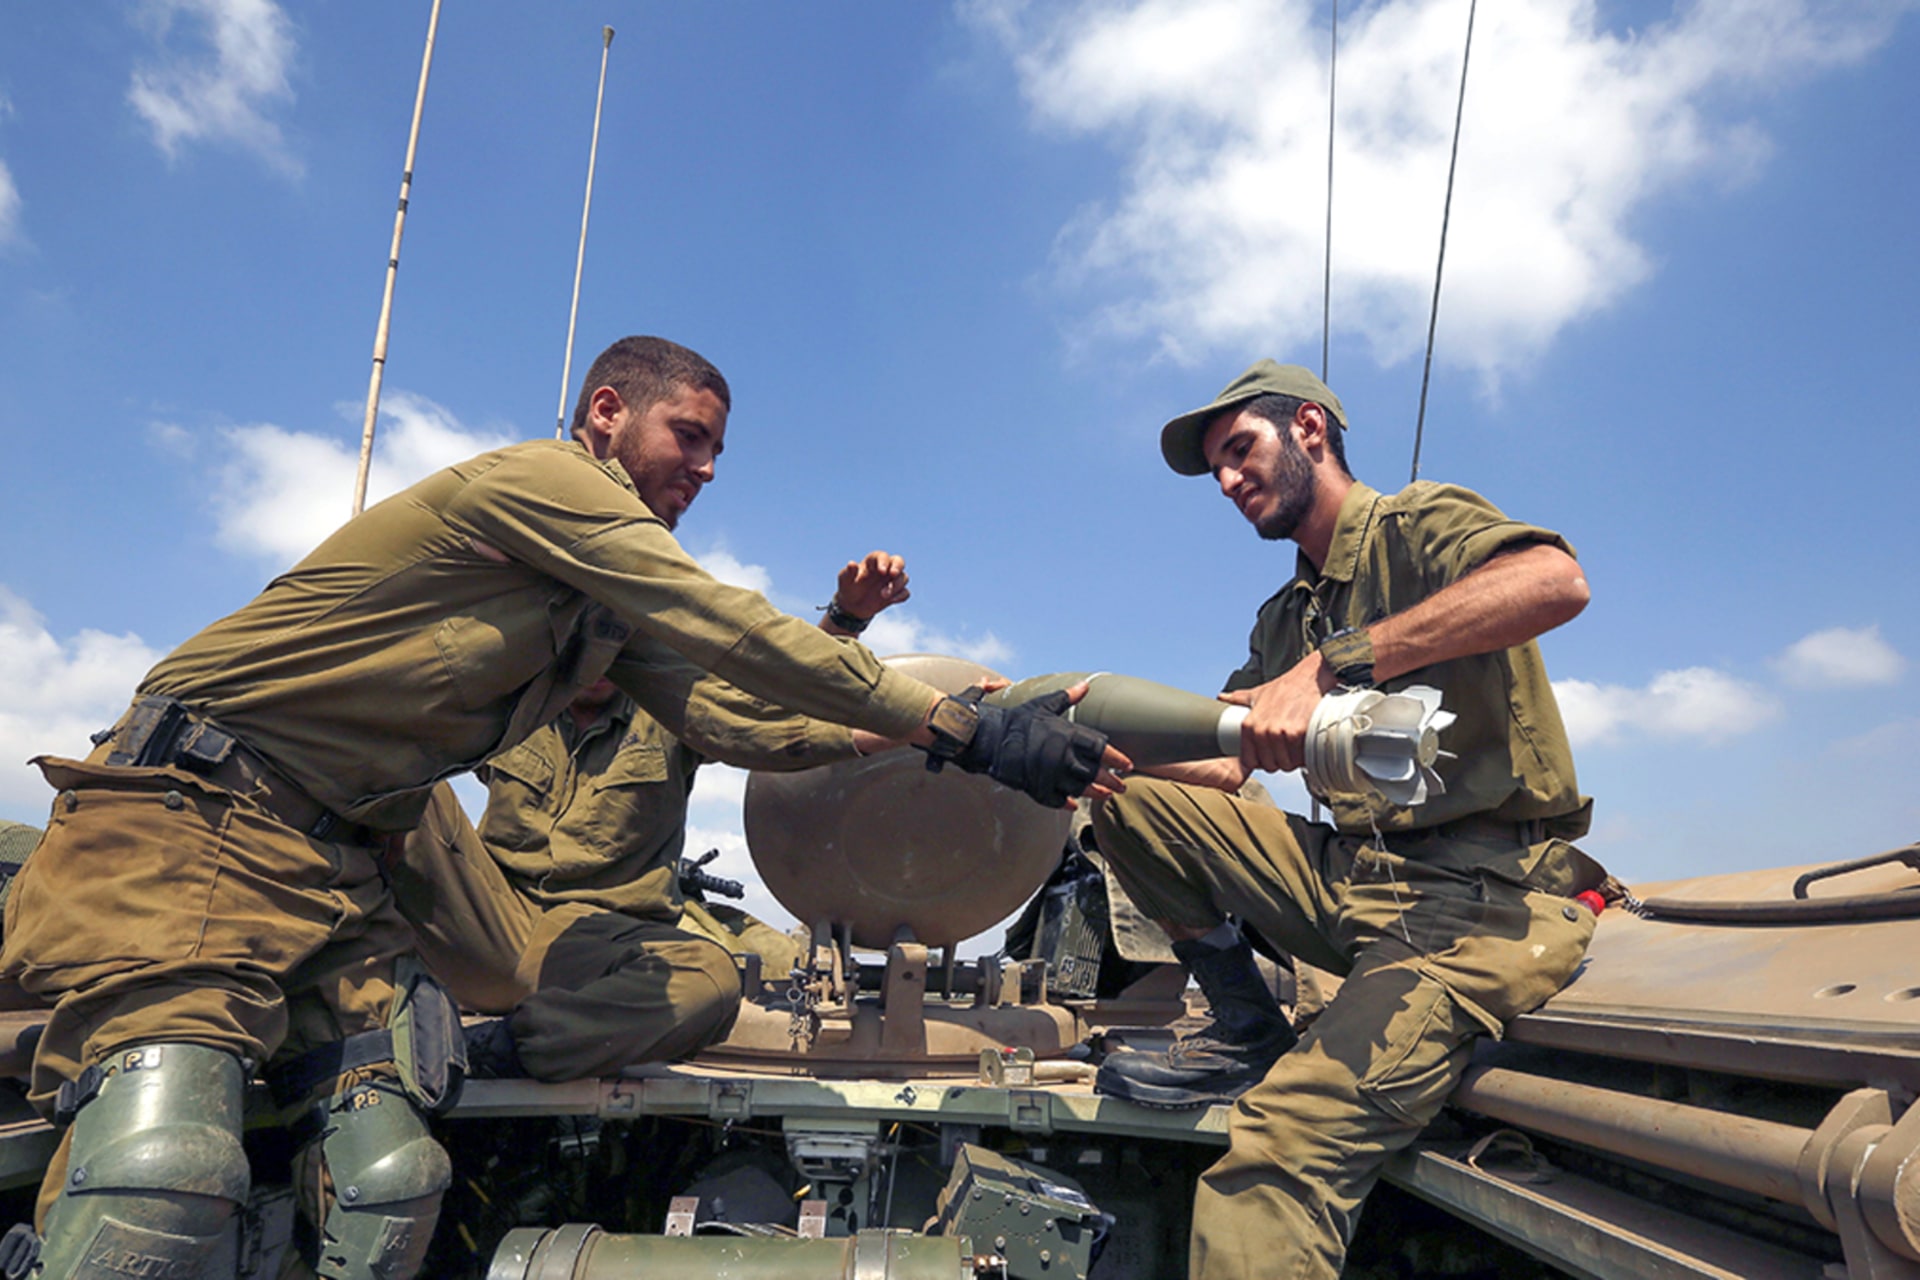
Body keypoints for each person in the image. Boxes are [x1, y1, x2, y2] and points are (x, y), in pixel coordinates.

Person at [0, 335, 1123, 1280]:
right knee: (163, 1175)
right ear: (605, 413)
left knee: (389, 1183)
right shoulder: (541, 486)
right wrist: (967, 731)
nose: (709, 468)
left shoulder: (597, 619)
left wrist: (978, 723)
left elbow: (745, 722)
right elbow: (726, 624)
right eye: (691, 435)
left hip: (337, 875)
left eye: (720, 450)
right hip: (202, 815)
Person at [1090, 361, 1608, 1280]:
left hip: (1477, 902)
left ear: (1312, 430)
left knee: (1272, 1162)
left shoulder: (1417, 525)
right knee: (1124, 797)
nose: (1227, 481)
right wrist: (1075, 748)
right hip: (1353, 876)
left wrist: (1340, 665)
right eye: (1215, 468)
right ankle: (1246, 1025)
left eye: (1241, 450)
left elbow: (1553, 582)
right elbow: (1224, 755)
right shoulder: (1286, 611)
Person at [395, 548, 916, 1082]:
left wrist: (851, 627)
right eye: (583, 633)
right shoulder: (517, 701)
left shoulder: (673, 709)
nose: (597, 654)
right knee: (388, 770)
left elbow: (772, 697)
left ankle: (497, 1047)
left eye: (615, 635)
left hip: (606, 949)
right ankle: (340, 984)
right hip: (489, 923)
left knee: (711, 981)